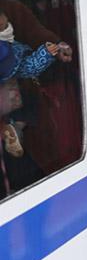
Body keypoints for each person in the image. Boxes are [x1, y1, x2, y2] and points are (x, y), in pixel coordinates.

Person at [0, 10, 62, 157]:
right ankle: (12, 128)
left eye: (3, 17)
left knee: (27, 105)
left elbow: (27, 67)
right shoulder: (8, 49)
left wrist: (45, 53)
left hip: (12, 94)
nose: (2, 21)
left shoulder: (11, 46)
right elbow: (27, 68)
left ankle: (13, 128)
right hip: (9, 93)